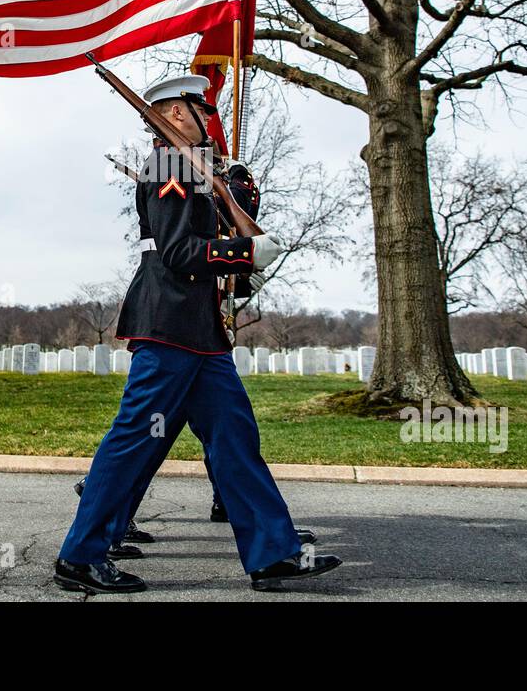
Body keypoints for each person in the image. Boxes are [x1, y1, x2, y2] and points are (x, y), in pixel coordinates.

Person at [53, 74, 341, 594]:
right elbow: (179, 251)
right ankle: (81, 556)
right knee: (134, 441)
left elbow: (206, 241)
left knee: (235, 441)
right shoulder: (168, 164)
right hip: (168, 327)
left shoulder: (196, 169)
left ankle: (273, 553)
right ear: (177, 113)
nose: (211, 117)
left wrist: (241, 216)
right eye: (202, 108)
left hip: (201, 334)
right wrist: (243, 252)